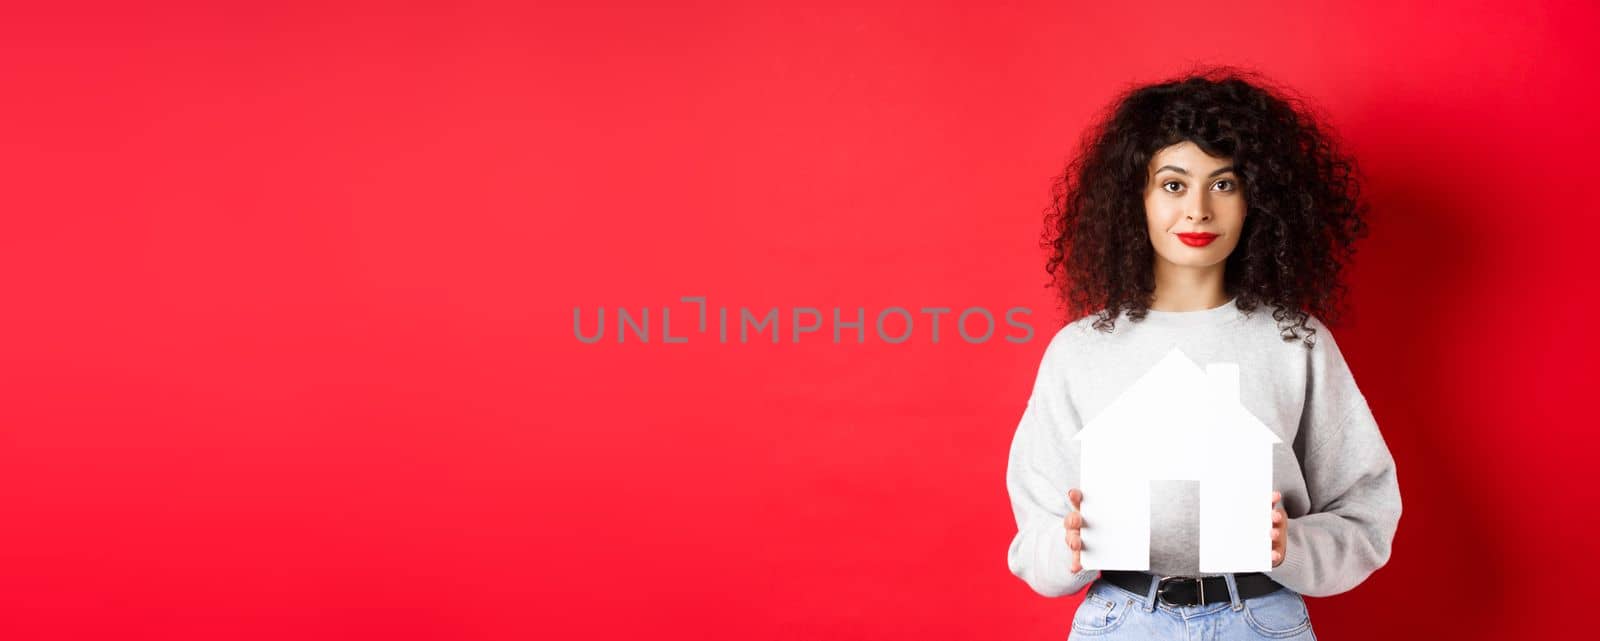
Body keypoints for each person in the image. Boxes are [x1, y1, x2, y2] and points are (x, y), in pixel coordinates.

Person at [1004, 67, 1402, 640]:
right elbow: (1034, 532)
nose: (1197, 210)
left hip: (1261, 618)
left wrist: (1292, 544)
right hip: (1121, 620)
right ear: (1134, 198)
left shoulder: (1295, 340)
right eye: (1172, 184)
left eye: (1223, 183)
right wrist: (1069, 545)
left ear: (1256, 199)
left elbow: (1365, 511)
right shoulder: (1081, 350)